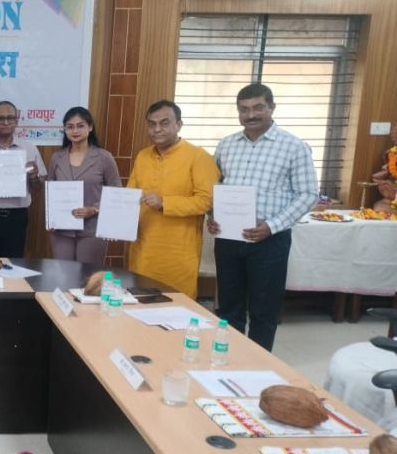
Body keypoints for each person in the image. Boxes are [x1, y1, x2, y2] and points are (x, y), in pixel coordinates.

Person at [209, 83, 318, 351]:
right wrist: (212, 214)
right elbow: (214, 186)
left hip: (270, 242)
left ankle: (257, 365)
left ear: (272, 107)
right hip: (229, 238)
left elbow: (308, 194)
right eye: (244, 109)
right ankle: (229, 358)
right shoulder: (226, 145)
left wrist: (271, 226)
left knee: (263, 310)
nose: (251, 115)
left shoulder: (293, 146)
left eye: (258, 107)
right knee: (228, 308)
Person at [127, 100, 220, 299]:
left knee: (176, 306)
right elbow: (130, 195)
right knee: (140, 305)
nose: (157, 129)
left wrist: (165, 203)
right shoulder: (143, 156)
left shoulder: (198, 156)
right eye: (152, 124)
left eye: (164, 123)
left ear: (178, 124)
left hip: (178, 254)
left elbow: (207, 200)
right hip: (143, 250)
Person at [0, 101, 45, 257]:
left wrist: (34, 177)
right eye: (0, 118)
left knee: (13, 264)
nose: (5, 122)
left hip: (16, 218)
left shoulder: (29, 148)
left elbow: (39, 186)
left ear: (16, 121)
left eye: (10, 118)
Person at [47, 107, 121, 264]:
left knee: (88, 276)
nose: (75, 131)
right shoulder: (57, 158)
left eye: (80, 126)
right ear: (65, 130)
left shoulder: (104, 157)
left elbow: (116, 192)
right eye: (70, 126)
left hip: (93, 229)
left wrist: (94, 209)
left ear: (90, 127)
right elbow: (50, 191)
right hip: (61, 229)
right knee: (64, 274)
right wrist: (50, 218)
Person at [370, 123, 397, 212]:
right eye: (394, 136)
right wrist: (385, 184)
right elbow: (376, 177)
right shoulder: (391, 154)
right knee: (381, 207)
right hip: (392, 199)